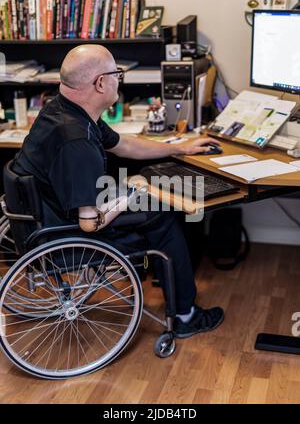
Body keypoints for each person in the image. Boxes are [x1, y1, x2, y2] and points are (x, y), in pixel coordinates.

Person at [12, 44, 224, 338]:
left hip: (45, 217)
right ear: (100, 83)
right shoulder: (78, 141)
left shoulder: (63, 110)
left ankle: (171, 291)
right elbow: (90, 223)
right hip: (66, 235)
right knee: (163, 213)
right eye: (117, 74)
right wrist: (130, 195)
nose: (119, 80)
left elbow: (123, 145)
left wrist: (180, 148)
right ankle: (186, 315)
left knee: (150, 198)